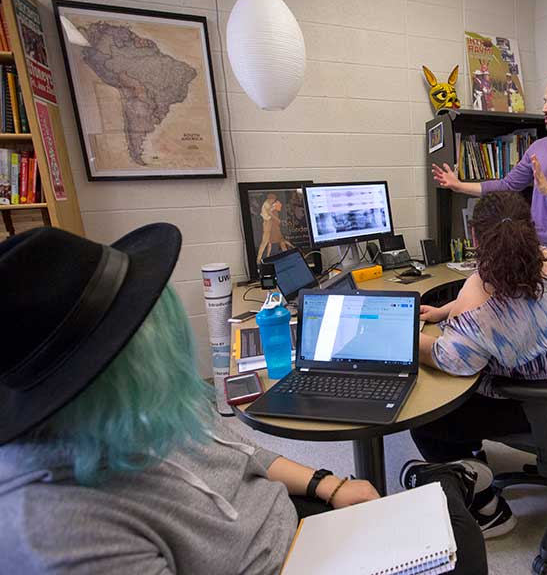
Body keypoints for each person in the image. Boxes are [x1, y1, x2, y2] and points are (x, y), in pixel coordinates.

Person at [0, 224, 488, 575]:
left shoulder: (137, 407)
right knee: (458, 546)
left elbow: (238, 451)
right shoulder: (55, 535)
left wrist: (329, 484)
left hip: (299, 525)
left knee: (447, 516)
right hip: (290, 559)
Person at [412, 192, 547, 538]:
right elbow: (503, 306)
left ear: (475, 238)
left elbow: (449, 358)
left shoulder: (481, 301)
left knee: (428, 416)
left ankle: (487, 508)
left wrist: (399, 335)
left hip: (539, 402)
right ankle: (473, 458)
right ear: (530, 229)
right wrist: (445, 311)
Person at [432, 73, 547, 323]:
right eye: (545, 101)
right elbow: (507, 185)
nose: (544, 109)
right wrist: (459, 185)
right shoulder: (538, 148)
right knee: (538, 323)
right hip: (536, 248)